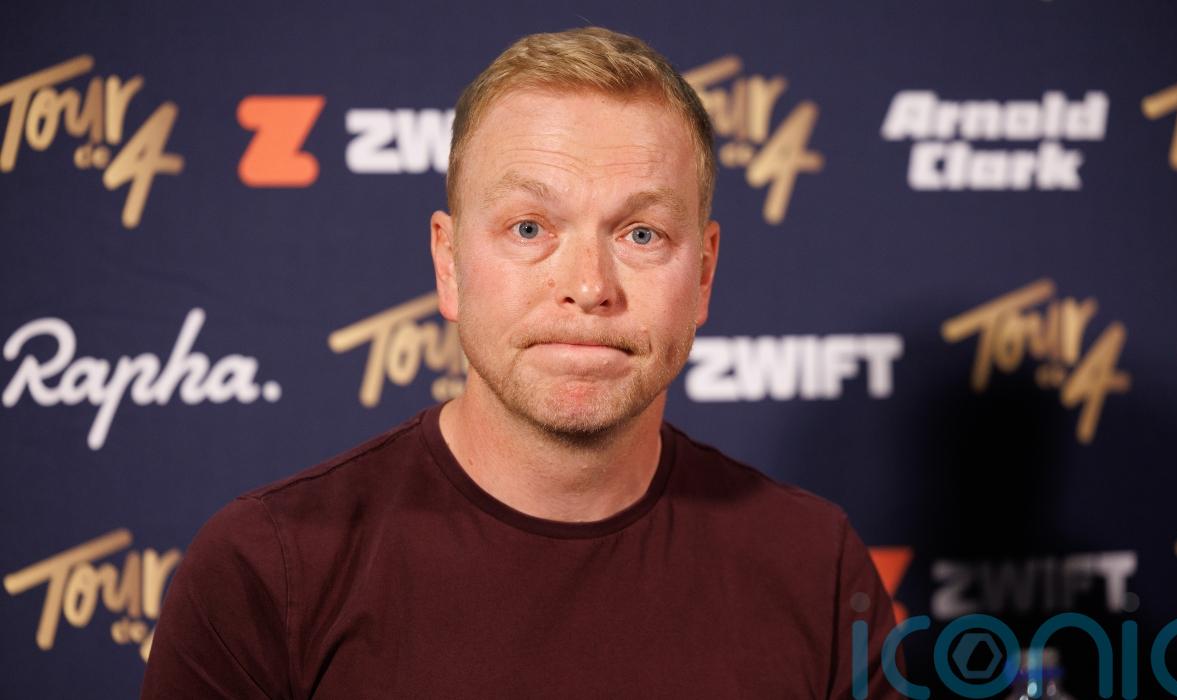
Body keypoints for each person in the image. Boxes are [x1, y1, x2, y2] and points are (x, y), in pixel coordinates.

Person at [141, 27, 903, 698]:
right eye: (530, 227)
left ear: (703, 274)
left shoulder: (817, 568)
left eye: (641, 234)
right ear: (448, 263)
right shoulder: (267, 571)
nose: (589, 287)